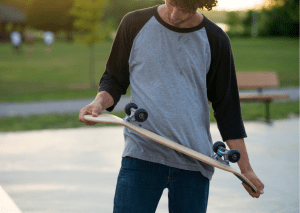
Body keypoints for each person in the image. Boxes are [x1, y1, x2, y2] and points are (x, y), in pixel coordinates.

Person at [79, 0, 265, 212]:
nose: (174, 14)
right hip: (142, 155)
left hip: (194, 162)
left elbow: (227, 110)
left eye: (184, 9)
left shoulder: (215, 39)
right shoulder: (135, 23)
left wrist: (246, 170)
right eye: (171, 3)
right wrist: (98, 103)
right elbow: (114, 79)